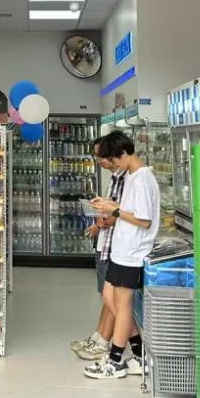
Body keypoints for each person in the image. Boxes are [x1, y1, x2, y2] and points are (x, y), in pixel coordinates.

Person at [84, 130, 160, 380]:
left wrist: (114, 210)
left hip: (133, 251)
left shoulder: (142, 179)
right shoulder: (132, 175)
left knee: (123, 305)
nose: (112, 164)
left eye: (113, 159)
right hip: (122, 249)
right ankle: (138, 354)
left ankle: (115, 361)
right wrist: (110, 205)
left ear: (124, 153)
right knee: (110, 297)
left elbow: (144, 220)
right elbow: (130, 210)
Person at [71, 137, 128, 362]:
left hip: (116, 245)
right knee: (107, 296)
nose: (101, 160)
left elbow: (122, 213)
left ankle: (111, 344)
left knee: (112, 298)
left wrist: (101, 221)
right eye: (97, 155)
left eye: (104, 155)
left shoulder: (129, 179)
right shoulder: (116, 178)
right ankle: (99, 337)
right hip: (108, 244)